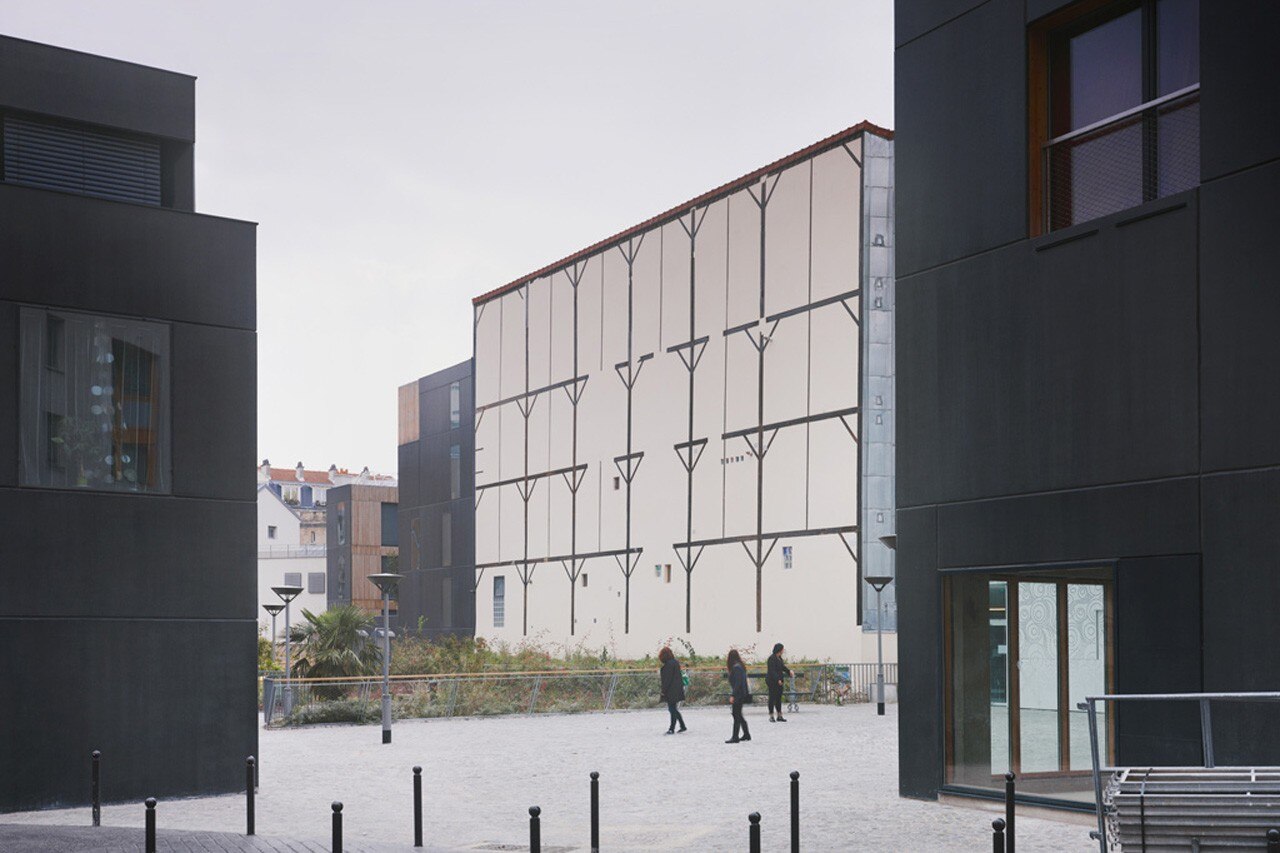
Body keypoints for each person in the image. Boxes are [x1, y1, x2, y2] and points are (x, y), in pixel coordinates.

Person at [658, 646, 687, 734]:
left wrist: (663, 691)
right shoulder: (675, 663)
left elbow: (667, 680)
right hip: (677, 689)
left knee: (672, 709)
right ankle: (682, 726)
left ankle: (672, 728)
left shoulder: (668, 665)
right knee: (673, 709)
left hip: (671, 690)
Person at [725, 648, 752, 744]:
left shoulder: (736, 668)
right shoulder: (740, 666)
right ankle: (746, 734)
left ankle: (735, 736)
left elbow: (737, 683)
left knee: (736, 714)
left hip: (738, 694)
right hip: (741, 694)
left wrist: (733, 695)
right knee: (738, 714)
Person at [766, 642, 792, 722]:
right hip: (772, 681)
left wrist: (788, 671)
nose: (783, 651)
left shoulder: (779, 658)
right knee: (772, 698)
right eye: (782, 649)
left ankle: (779, 715)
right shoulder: (771, 658)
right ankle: (771, 715)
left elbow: (782, 667)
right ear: (779, 650)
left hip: (779, 681)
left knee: (778, 698)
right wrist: (778, 679)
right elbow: (772, 671)